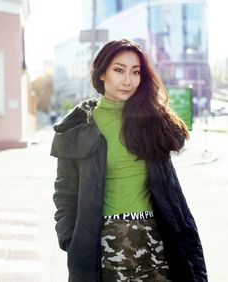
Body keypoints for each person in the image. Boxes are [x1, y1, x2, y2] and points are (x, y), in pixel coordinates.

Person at [50, 39, 208, 282]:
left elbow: (178, 143)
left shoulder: (149, 120)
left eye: (136, 72)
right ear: (102, 73)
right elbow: (65, 192)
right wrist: (70, 238)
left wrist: (154, 111)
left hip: (160, 239)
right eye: (119, 70)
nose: (128, 80)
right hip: (106, 245)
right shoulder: (78, 128)